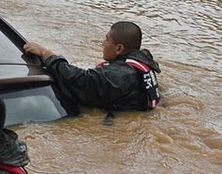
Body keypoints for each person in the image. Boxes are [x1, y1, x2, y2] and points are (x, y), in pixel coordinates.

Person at [23, 21, 161, 112]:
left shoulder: (118, 75)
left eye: (107, 40)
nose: (103, 44)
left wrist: (47, 54)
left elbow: (80, 80)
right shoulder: (143, 60)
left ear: (119, 48)